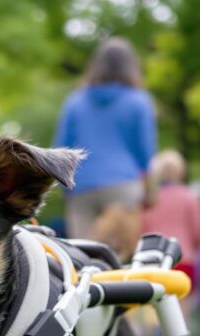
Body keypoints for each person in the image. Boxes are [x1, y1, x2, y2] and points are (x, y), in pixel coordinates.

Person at [54, 37, 157, 240]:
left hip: (81, 185)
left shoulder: (75, 101)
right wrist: (150, 191)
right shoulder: (139, 101)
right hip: (123, 186)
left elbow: (61, 147)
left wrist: (63, 189)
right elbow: (145, 152)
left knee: (82, 254)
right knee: (117, 255)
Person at [141, 149, 200, 283]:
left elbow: (141, 229)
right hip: (183, 257)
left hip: (153, 257)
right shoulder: (190, 196)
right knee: (181, 302)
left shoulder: (150, 198)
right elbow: (198, 232)